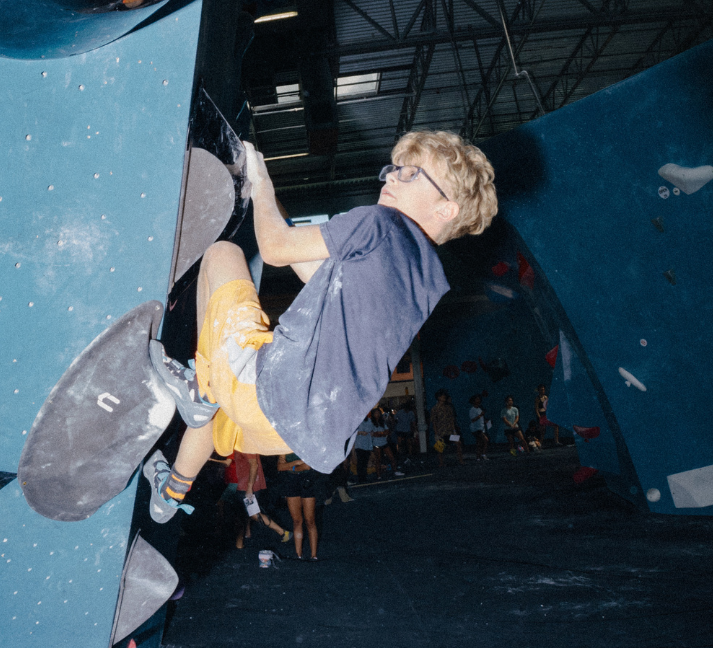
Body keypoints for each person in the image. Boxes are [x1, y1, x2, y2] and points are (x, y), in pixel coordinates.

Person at [139, 130, 496, 522]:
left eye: (411, 175)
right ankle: (170, 495)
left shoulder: (381, 224)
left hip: (270, 390)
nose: (392, 177)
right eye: (393, 169)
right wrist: (272, 202)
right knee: (217, 404)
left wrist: (261, 182)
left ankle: (199, 388)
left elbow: (275, 249)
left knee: (223, 254)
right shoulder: (425, 285)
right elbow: (315, 275)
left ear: (447, 208)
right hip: (293, 434)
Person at [226, 451, 290, 549]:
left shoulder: (246, 445)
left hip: (248, 486)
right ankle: (239, 545)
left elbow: (254, 465)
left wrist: (249, 487)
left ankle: (283, 532)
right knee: (240, 515)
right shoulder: (239, 445)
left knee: (253, 514)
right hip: (242, 485)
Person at [276, 453, 323, 561]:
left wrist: (289, 466)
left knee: (310, 520)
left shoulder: (307, 442)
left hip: (308, 480)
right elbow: (280, 467)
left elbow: (307, 466)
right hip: (291, 481)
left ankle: (313, 555)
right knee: (297, 520)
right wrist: (297, 463)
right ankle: (298, 555)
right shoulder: (285, 445)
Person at [430, 390, 462, 467]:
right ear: (438, 397)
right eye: (442, 396)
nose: (444, 397)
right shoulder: (434, 409)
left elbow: (452, 420)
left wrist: (454, 430)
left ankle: (461, 460)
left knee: (458, 443)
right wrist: (436, 433)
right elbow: (434, 422)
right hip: (441, 431)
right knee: (440, 448)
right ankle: (441, 463)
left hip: (449, 430)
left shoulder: (448, 407)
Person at [467, 394, 491, 461]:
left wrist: (485, 421)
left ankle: (478, 457)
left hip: (481, 427)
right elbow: (473, 419)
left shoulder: (480, 408)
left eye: (479, 399)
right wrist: (480, 415)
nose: (478, 400)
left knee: (479, 442)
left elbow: (481, 418)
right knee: (485, 440)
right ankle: (483, 454)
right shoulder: (472, 409)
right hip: (476, 428)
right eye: (477, 399)